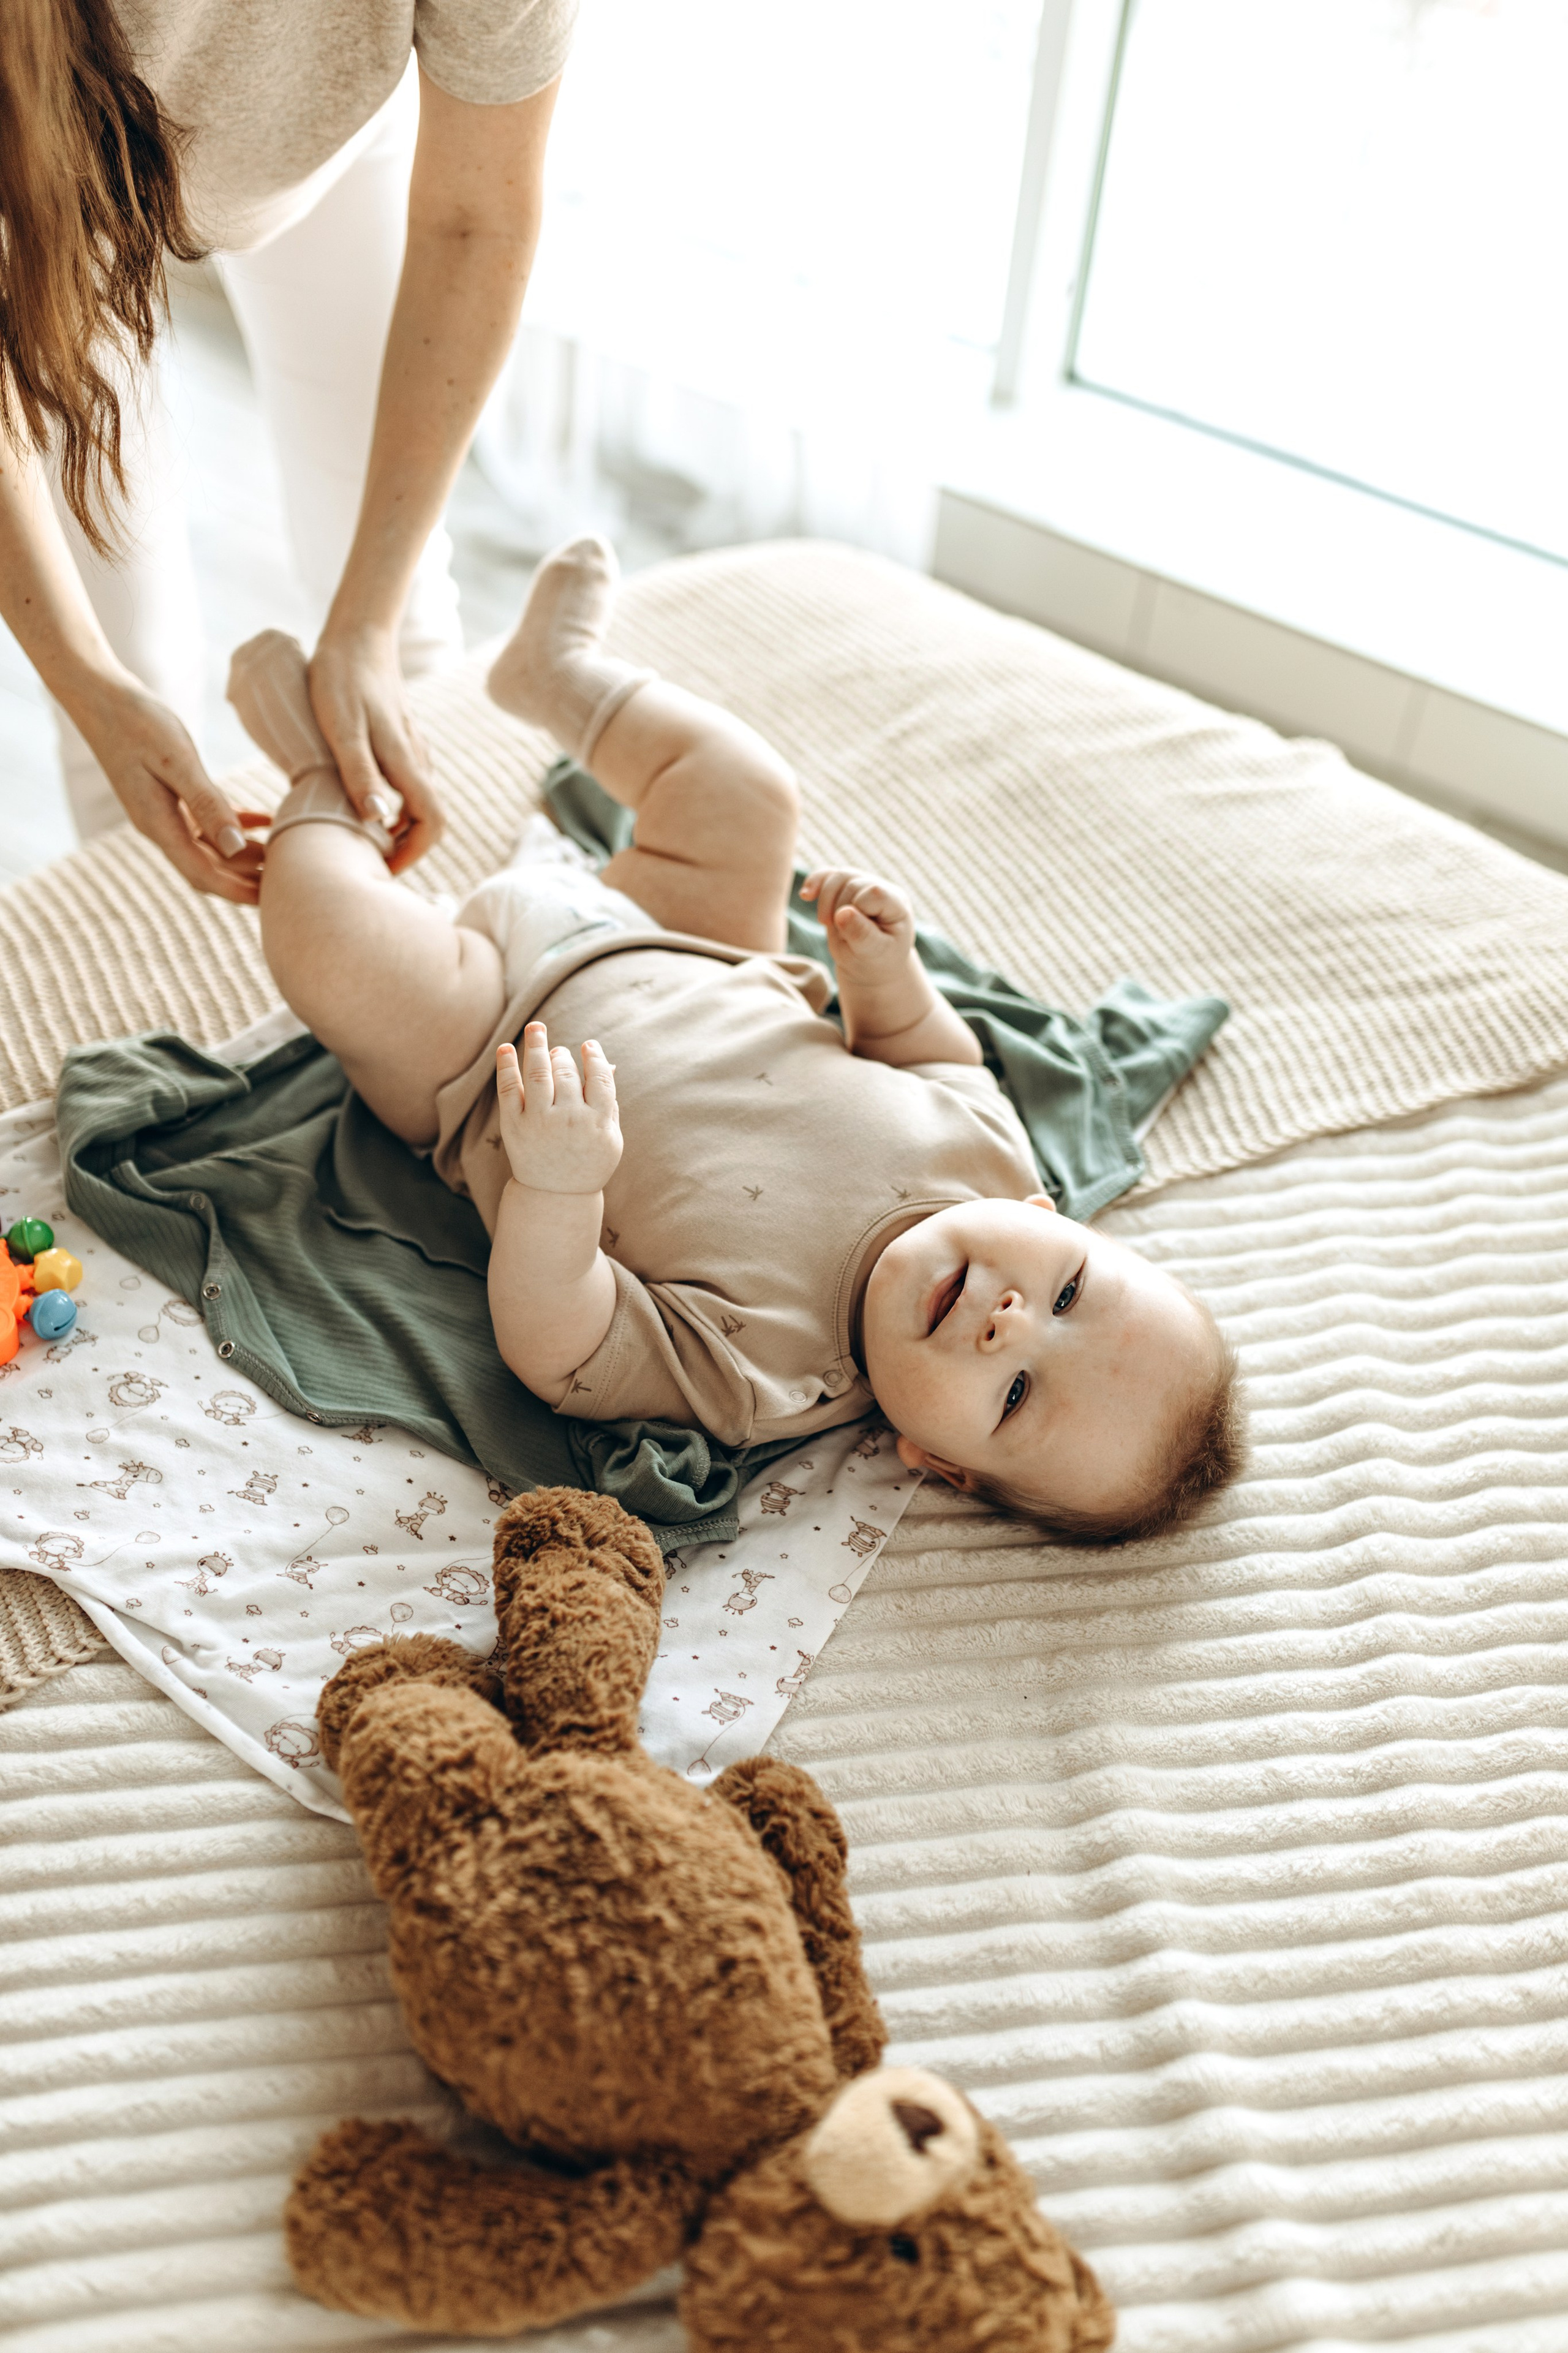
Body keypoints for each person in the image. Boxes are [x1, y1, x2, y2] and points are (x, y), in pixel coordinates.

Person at [234, 538, 1243, 1544]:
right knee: (748, 792)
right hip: (686, 934)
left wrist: (558, 1188)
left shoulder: (762, 1379)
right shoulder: (991, 1158)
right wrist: (884, 975)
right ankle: (558, 676)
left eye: (1016, 1393)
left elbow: (563, 1343)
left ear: (939, 1463)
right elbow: (926, 1051)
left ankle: (324, 779)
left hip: (483, 1048)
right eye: (1069, 1288)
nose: (1010, 1321)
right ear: (1046, 1214)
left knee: (332, 951)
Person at [0, 0, 571, 905]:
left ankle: (442, 935)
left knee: (402, 624)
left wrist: (367, 623)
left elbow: (477, 217)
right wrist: (88, 681)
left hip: (320, 146)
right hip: (43, 183)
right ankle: (148, 942)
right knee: (127, 682)